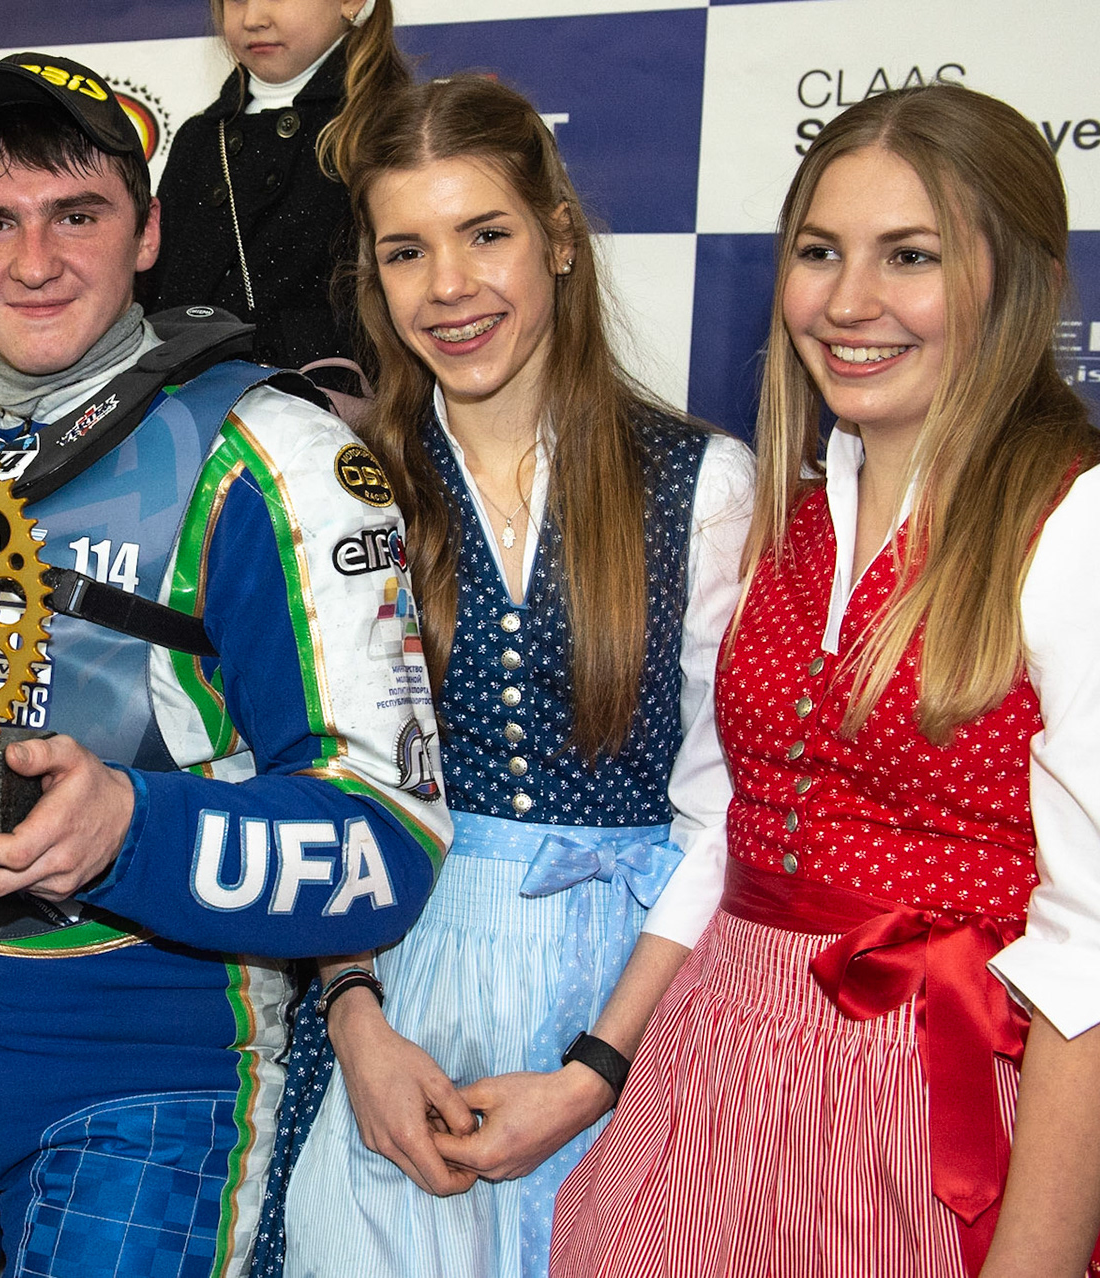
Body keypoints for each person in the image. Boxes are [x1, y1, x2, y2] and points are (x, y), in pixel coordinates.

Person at [0, 50, 452, 1278]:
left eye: (78, 215)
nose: (34, 260)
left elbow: (388, 841)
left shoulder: (267, 449)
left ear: (148, 233)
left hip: (153, 1044)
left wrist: (129, 822)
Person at [553, 83, 1100, 1278]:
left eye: (907, 256)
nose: (848, 303)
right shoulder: (795, 510)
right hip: (716, 1094)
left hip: (943, 1116)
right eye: (820, 252)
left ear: (1012, 280)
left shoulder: (1087, 524)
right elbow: (731, 827)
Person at [265, 74, 753, 1278]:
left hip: (635, 996)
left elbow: (726, 816)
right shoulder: (340, 486)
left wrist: (597, 1068)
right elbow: (311, 781)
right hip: (394, 987)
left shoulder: (704, 485)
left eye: (486, 234)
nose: (449, 288)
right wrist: (356, 1019)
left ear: (561, 238)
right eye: (405, 252)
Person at [137, 0, 406, 377]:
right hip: (182, 407)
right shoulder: (197, 140)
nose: (253, 19)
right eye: (236, 0)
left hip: (328, 408)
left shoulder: (389, 130)